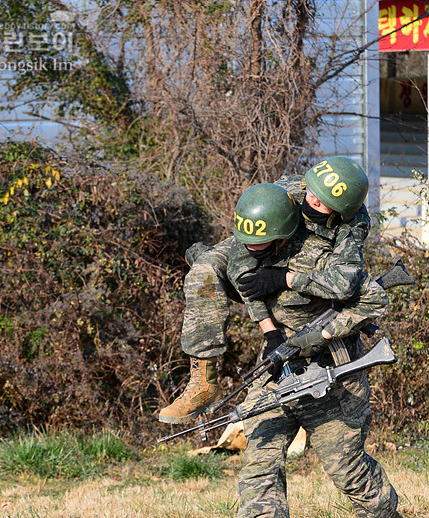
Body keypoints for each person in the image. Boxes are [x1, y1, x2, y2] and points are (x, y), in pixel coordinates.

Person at [196, 183, 410, 518]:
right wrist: (270, 333)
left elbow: (371, 298)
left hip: (335, 369)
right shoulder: (261, 237)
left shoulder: (337, 249)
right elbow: (240, 280)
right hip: (279, 364)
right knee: (261, 452)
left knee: (344, 467)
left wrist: (316, 326)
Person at [159, 156, 371, 424]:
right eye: (312, 191)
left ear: (343, 209)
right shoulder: (290, 190)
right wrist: (268, 329)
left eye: (323, 201)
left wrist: (286, 279)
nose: (313, 199)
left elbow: (343, 284)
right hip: (262, 244)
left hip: (296, 282)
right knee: (203, 270)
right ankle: (204, 380)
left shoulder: (352, 225)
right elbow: (242, 260)